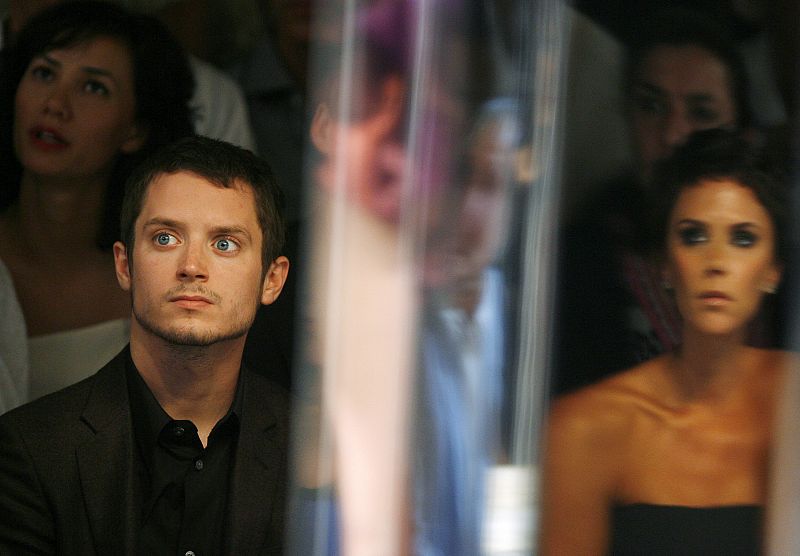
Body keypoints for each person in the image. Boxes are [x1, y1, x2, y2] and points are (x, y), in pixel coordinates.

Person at [0, 134, 291, 554]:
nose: (192, 267)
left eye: (224, 244)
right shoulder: (32, 451)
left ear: (272, 279)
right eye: (165, 238)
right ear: (124, 265)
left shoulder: (319, 452)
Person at [540, 128, 789, 554]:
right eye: (693, 236)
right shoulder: (586, 429)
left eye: (743, 238)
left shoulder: (792, 402)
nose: (716, 263)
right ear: (663, 266)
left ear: (773, 270)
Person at [554, 8, 761, 395]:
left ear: (743, 136)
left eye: (701, 113)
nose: (672, 134)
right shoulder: (579, 263)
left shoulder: (779, 271)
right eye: (651, 106)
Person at [0, 1, 195, 401]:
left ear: (135, 129)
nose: (54, 103)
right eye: (43, 73)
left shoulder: (159, 284)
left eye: (93, 87)